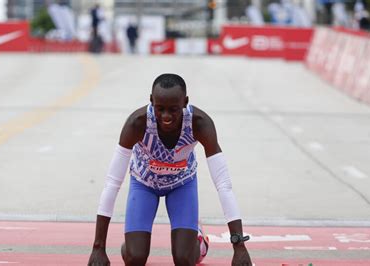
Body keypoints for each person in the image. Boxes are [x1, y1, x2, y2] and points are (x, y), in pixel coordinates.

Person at [88, 74, 252, 266]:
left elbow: (223, 185)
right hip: (144, 184)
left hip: (182, 184)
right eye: (160, 109)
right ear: (151, 101)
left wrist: (239, 246)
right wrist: (98, 247)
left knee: (183, 260)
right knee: (135, 258)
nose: (166, 117)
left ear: (185, 102)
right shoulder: (137, 123)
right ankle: (133, 243)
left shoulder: (200, 123)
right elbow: (112, 183)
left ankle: (198, 242)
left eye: (173, 110)